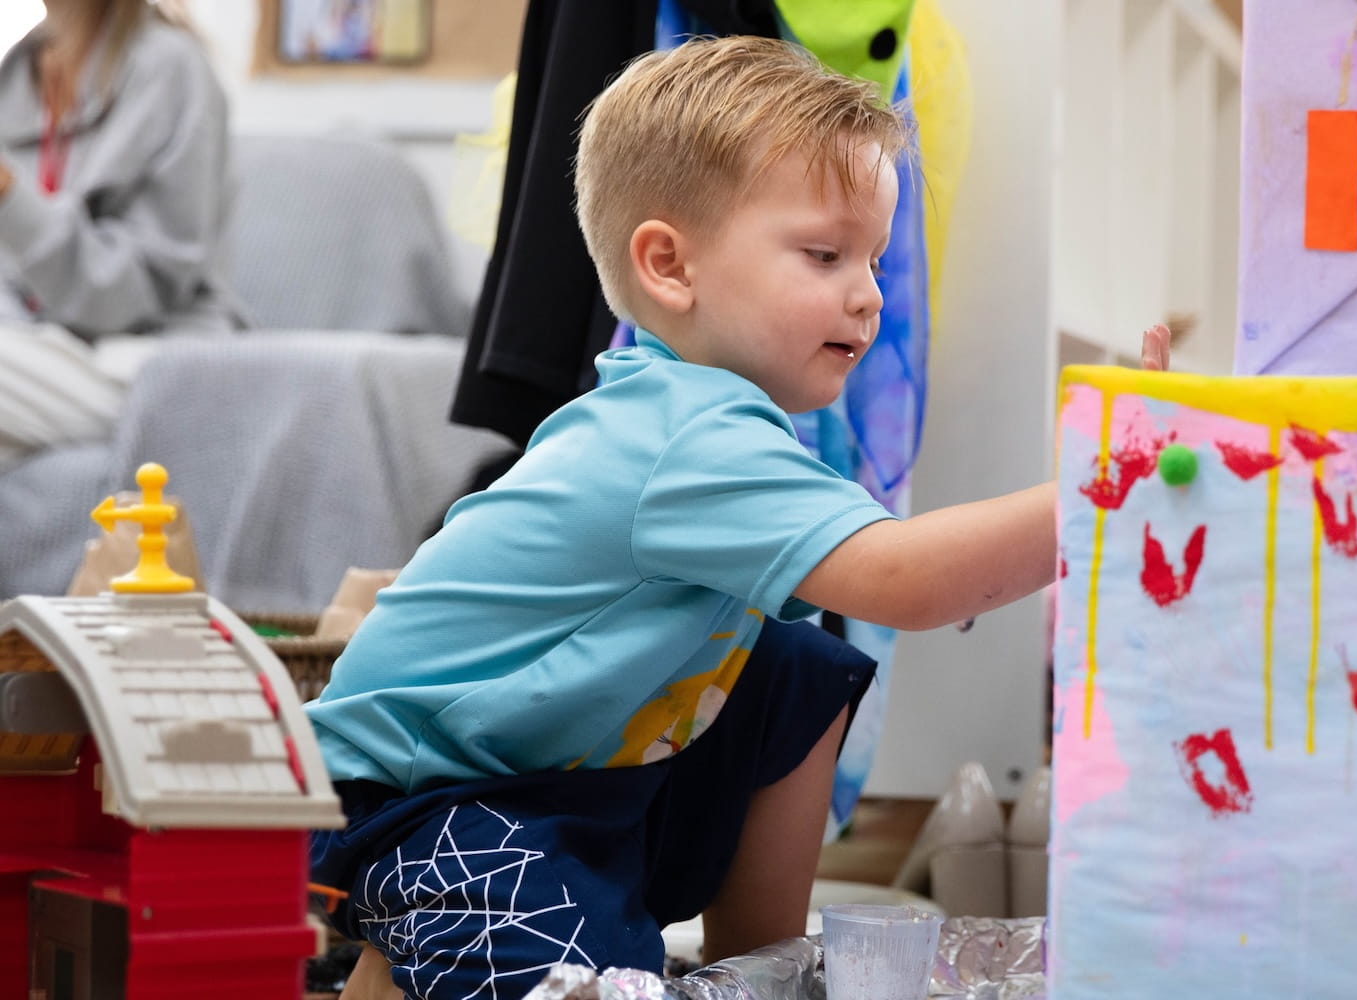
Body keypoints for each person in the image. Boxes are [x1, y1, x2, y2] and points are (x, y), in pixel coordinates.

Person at [306, 35, 1170, 999]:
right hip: (416, 804)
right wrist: (1105, 479)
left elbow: (885, 591)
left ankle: (756, 967)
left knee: (798, 667)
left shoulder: (717, 423)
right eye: (825, 254)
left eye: (877, 259)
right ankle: (431, 951)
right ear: (671, 267)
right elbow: (909, 578)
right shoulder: (685, 434)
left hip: (565, 783)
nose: (870, 293)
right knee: (581, 970)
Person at [0, 0, 239, 469]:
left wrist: (11, 197)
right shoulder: (16, 72)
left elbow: (134, 295)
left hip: (137, 354)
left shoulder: (170, 68)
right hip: (27, 351)